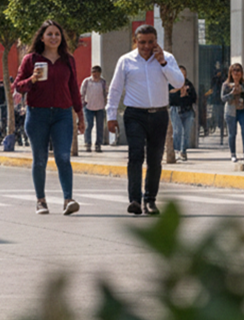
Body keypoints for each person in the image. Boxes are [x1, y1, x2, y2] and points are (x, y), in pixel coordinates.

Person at [107, 24, 184, 216]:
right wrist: (111, 115)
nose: (147, 46)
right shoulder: (126, 61)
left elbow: (178, 82)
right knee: (135, 156)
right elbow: (115, 89)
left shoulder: (167, 58)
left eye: (151, 42)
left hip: (159, 114)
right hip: (135, 115)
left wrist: (163, 62)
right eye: (142, 42)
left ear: (156, 41)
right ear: (136, 41)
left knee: (155, 159)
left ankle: (150, 200)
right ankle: (134, 199)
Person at [14, 19, 85, 216]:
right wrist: (32, 79)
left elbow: (73, 88)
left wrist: (80, 114)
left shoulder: (68, 60)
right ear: (42, 38)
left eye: (57, 34)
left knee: (63, 156)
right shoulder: (30, 59)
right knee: (40, 159)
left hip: (63, 114)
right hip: (38, 114)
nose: (54, 37)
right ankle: (41, 200)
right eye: (50, 34)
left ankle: (68, 199)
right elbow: (19, 86)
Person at [220, 63, 244, 163]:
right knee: (232, 133)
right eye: (234, 70)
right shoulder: (226, 85)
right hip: (230, 111)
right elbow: (223, 98)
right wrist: (232, 93)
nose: (236, 73)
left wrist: (242, 91)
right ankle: (233, 154)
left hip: (243, 110)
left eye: (238, 70)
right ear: (231, 73)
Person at [169, 65, 197, 161]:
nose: (182, 76)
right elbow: (170, 100)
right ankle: (176, 150)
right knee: (178, 131)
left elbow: (194, 98)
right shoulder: (172, 84)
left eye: (184, 74)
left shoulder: (189, 85)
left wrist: (186, 95)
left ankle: (183, 151)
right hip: (176, 110)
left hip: (188, 111)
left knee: (187, 132)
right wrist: (180, 95)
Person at [81, 65, 109, 153]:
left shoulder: (103, 82)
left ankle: (98, 145)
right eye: (93, 72)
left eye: (97, 72)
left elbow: (106, 94)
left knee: (100, 127)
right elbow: (82, 93)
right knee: (88, 125)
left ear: (100, 73)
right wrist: (82, 105)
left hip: (100, 107)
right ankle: (87, 144)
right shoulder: (86, 81)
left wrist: (107, 105)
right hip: (88, 107)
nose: (95, 74)